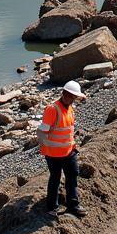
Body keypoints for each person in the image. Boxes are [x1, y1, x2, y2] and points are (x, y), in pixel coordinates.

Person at [38, 81, 87, 218]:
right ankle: (52, 208)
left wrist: (72, 146)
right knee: (55, 178)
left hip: (68, 152)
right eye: (71, 96)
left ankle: (73, 205)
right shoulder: (52, 109)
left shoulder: (70, 108)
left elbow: (68, 131)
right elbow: (42, 132)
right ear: (65, 94)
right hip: (53, 155)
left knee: (72, 176)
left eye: (74, 97)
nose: (73, 99)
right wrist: (45, 147)